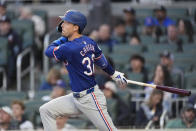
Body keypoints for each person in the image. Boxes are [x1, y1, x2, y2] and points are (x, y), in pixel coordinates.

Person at [39, 10, 127, 131]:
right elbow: (101, 60)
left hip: (90, 99)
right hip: (76, 98)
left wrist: (62, 38)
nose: (62, 25)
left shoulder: (69, 47)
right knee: (46, 110)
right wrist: (113, 73)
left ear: (76, 27)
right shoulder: (89, 41)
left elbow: (48, 51)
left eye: (66, 22)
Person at [0, 16, 22, 83]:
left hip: (10, 56)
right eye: (1, 24)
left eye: (5, 24)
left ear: (9, 25)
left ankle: (8, 81)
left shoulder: (14, 34)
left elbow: (18, 48)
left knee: (10, 58)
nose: (3, 26)